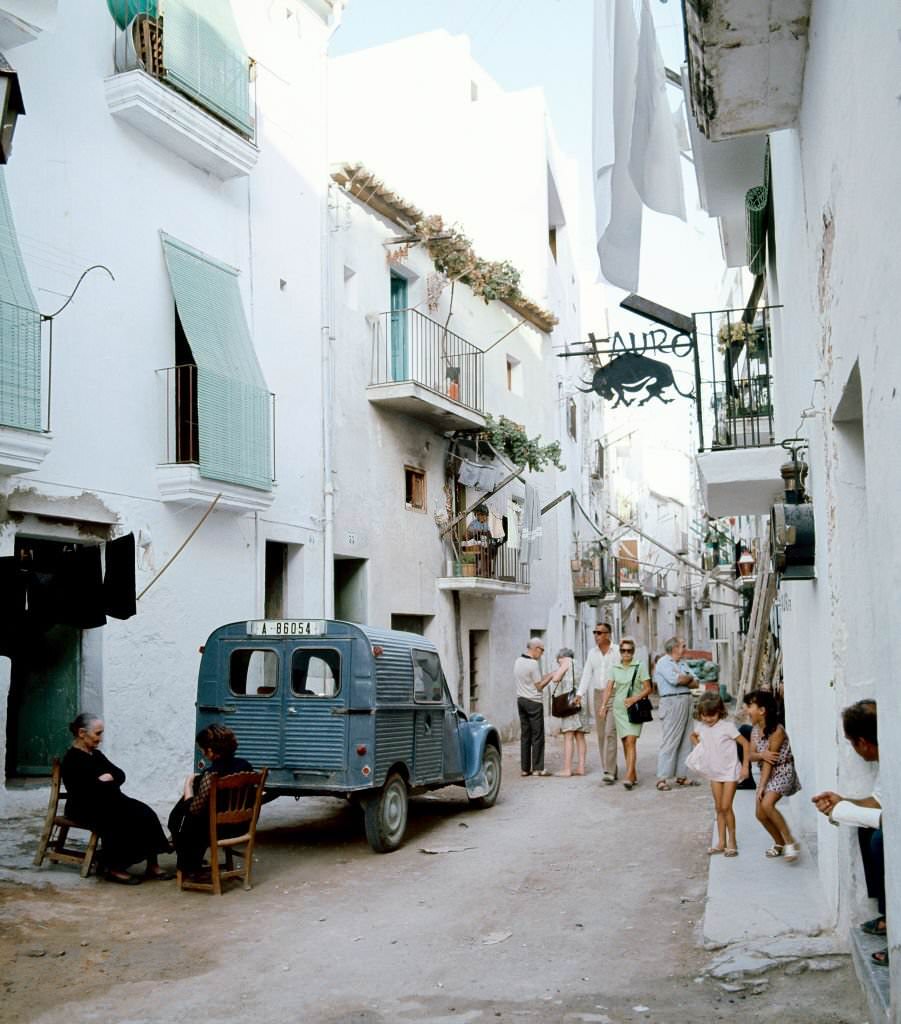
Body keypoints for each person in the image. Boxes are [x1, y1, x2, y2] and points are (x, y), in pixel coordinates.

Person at [811, 700, 886, 966]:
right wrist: (843, 801)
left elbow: (891, 820)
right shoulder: (887, 759)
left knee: (880, 839)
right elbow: (880, 802)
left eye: (851, 742)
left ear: (862, 742)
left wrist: (842, 811)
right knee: (868, 832)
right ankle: (889, 916)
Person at [61, 712, 172, 885]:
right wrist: (102, 781)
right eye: (97, 733)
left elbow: (120, 774)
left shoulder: (96, 755)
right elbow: (84, 791)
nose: (101, 738)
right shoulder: (72, 760)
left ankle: (152, 865)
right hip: (85, 807)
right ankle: (114, 868)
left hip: (110, 801)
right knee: (118, 820)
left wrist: (106, 779)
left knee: (144, 812)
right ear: (82, 733)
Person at [171, 724, 254, 878]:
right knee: (188, 819)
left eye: (202, 749)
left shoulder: (210, 775)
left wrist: (188, 784)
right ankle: (190, 858)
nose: (202, 753)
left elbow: (193, 809)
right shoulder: (245, 765)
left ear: (210, 751)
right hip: (241, 826)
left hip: (217, 830)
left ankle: (188, 866)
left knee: (182, 818)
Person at [686, 693, 750, 856]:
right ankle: (721, 842)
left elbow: (745, 744)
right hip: (714, 772)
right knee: (718, 807)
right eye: (704, 716)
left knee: (726, 806)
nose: (708, 719)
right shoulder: (701, 727)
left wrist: (745, 767)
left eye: (712, 715)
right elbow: (692, 735)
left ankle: (732, 841)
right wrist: (699, 746)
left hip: (730, 772)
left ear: (719, 712)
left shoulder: (727, 727)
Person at [742, 689, 801, 861]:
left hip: (782, 771)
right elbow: (751, 756)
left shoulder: (777, 731)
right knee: (760, 814)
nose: (746, 710)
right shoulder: (754, 730)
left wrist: (761, 787)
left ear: (762, 710)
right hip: (766, 773)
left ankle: (790, 842)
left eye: (750, 706)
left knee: (767, 804)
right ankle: (779, 843)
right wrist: (761, 755)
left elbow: (770, 761)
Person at [598, 637, 651, 790]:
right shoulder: (615, 668)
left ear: (633, 652)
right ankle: (632, 774)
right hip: (619, 710)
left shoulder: (640, 666)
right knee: (625, 743)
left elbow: (648, 688)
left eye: (629, 650)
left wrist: (634, 698)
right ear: (620, 652)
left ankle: (628, 777)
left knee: (631, 742)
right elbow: (609, 688)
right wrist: (603, 706)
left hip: (634, 709)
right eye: (623, 650)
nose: (626, 653)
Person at [515, 638, 566, 777]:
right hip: (534, 702)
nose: (542, 653)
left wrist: (549, 674)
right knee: (537, 736)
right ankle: (538, 768)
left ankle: (525, 769)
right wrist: (551, 678)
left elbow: (534, 679)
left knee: (525, 735)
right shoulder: (533, 664)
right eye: (542, 650)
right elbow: (538, 686)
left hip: (521, 700)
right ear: (535, 648)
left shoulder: (518, 661)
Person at [653, 636, 699, 791]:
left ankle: (681, 775)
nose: (685, 649)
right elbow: (676, 680)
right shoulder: (664, 663)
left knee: (687, 740)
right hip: (672, 701)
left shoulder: (682, 663)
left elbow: (695, 681)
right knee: (671, 740)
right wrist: (687, 679)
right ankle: (662, 777)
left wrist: (688, 679)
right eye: (682, 646)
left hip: (686, 700)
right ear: (674, 648)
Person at [576, 622, 619, 784]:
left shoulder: (617, 652)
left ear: (608, 634)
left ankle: (610, 770)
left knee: (610, 732)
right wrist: (580, 694)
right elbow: (587, 674)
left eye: (599, 633)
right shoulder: (592, 653)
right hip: (598, 694)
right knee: (601, 734)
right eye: (595, 632)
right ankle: (608, 768)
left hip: (615, 694)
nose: (596, 636)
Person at [552, 648, 589, 777]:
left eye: (558, 661)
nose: (559, 664)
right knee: (580, 736)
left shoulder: (566, 661)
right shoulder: (578, 664)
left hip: (570, 704)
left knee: (568, 736)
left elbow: (556, 679)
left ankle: (567, 769)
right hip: (581, 702)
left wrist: (557, 670)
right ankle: (581, 768)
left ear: (561, 657)